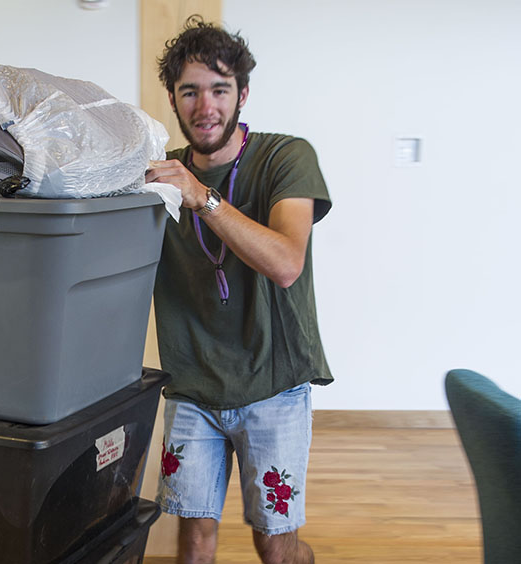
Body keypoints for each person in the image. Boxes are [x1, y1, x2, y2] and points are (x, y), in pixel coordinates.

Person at [145, 16, 333, 564]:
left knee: (273, 544)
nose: (206, 106)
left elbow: (286, 262)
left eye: (220, 89)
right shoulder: (160, 177)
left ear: (242, 94)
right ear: (175, 102)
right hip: (191, 386)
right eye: (190, 91)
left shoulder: (286, 157)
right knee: (194, 539)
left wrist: (201, 197)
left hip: (273, 383)